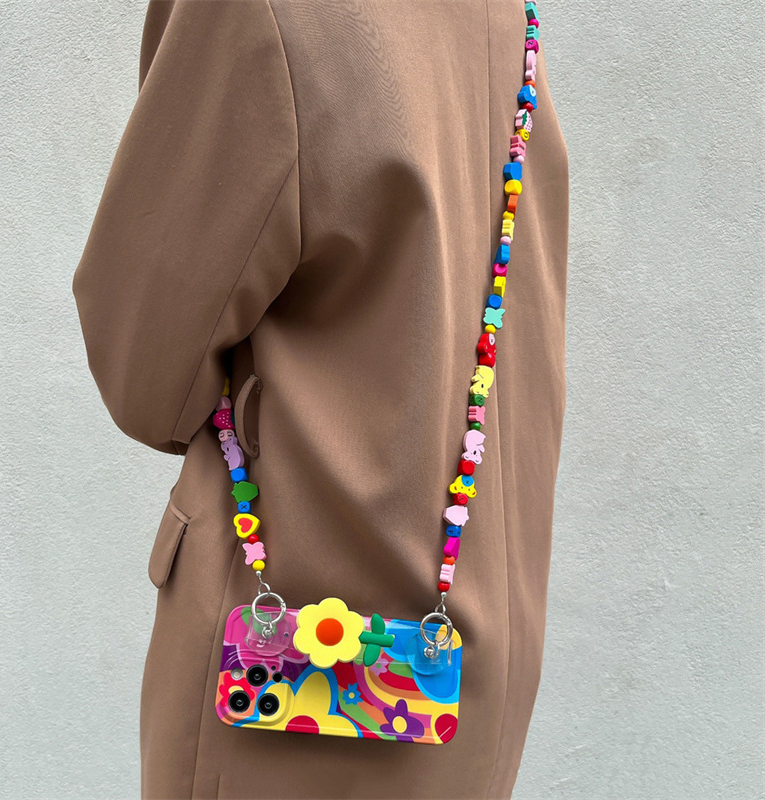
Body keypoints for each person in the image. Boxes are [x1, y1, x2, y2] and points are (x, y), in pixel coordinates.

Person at [72, 0, 569, 797]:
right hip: (479, 663)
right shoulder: (512, 16)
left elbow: (144, 373)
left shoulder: (259, 13)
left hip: (284, 692)